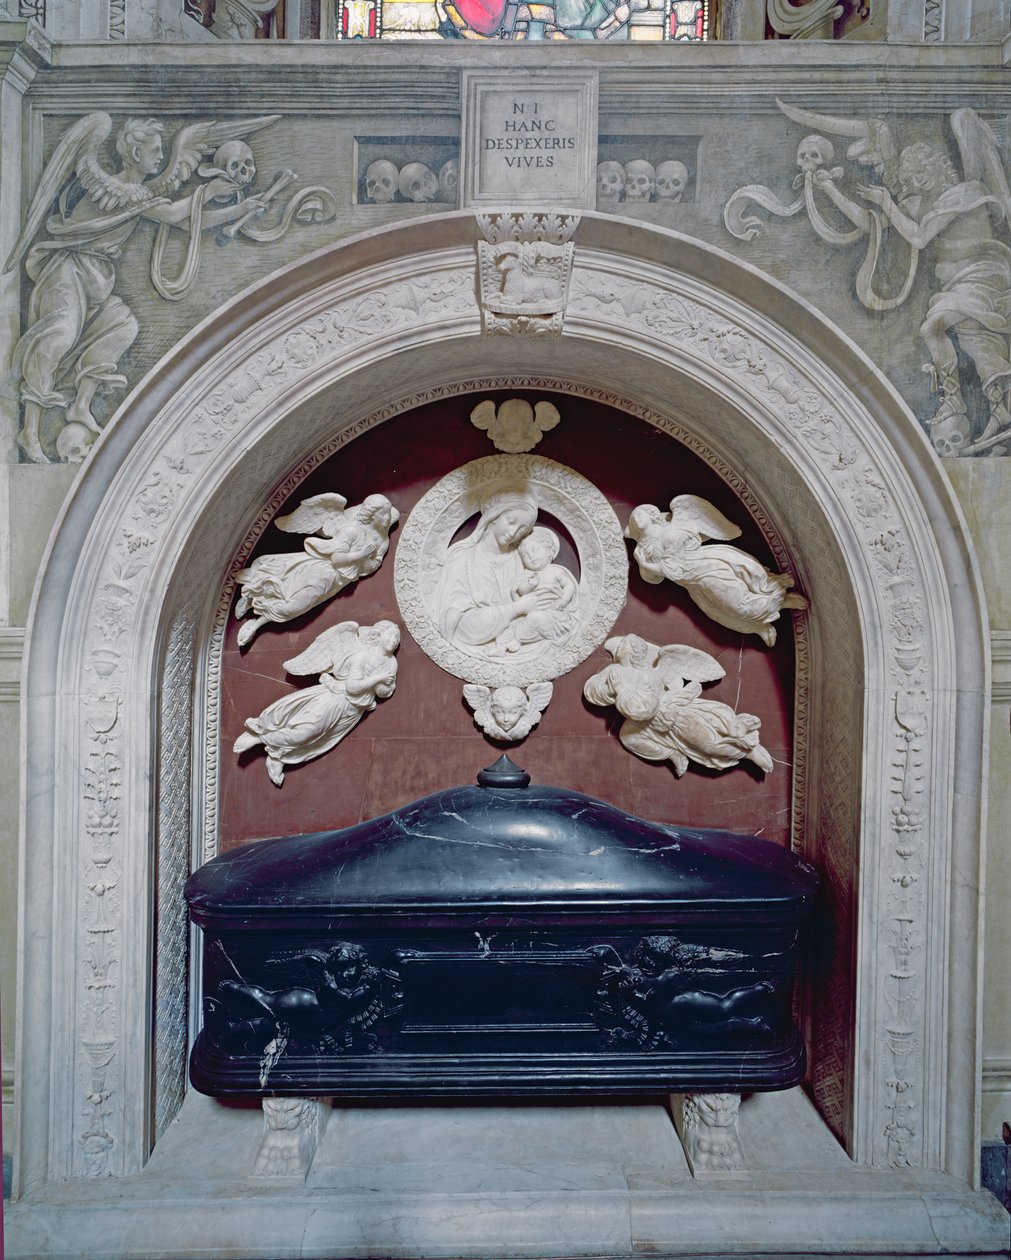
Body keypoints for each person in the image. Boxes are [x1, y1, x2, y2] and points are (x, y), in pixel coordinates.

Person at [435, 481, 558, 651]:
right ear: (494, 516)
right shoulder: (461, 558)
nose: (514, 533)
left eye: (522, 530)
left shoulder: (522, 559)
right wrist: (516, 609)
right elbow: (459, 625)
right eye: (511, 521)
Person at [498, 525, 578, 651]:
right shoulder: (527, 575)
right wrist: (530, 585)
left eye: (535, 550)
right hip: (531, 613)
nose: (531, 557)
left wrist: (562, 601)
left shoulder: (555, 571)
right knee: (514, 624)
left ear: (550, 551)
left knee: (535, 618)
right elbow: (520, 591)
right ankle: (507, 643)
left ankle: (518, 640)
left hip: (553, 613)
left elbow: (569, 585)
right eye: (525, 556)